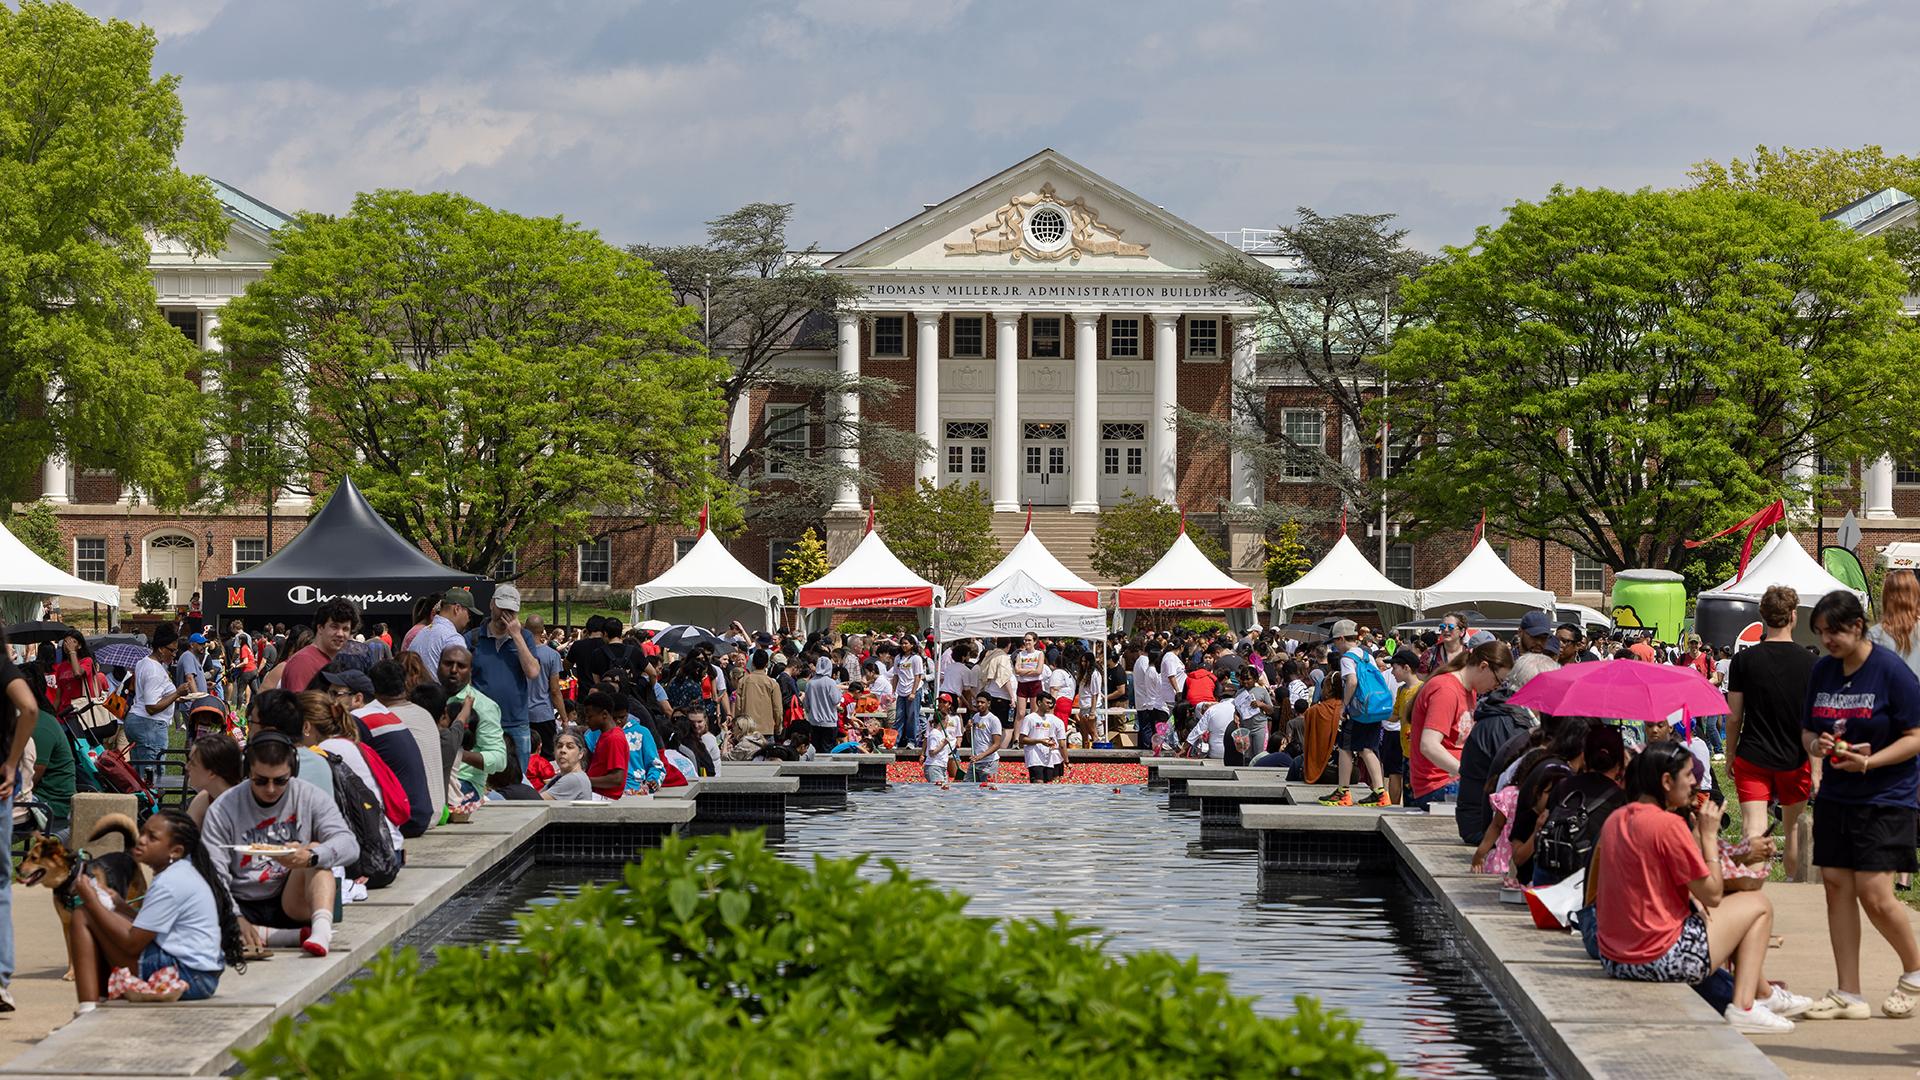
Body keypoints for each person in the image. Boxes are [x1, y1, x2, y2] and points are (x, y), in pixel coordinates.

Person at [1592, 742, 1803, 1033]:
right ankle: (1744, 1006)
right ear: (1667, 781)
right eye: (1689, 775)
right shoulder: (1668, 825)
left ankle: (1764, 995)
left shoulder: (1615, 819)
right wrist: (1708, 836)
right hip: (1659, 957)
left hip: (1615, 958)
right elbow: (1713, 894)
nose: (1695, 782)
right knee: (1758, 905)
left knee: (1735, 907)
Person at [1799, 589, 1920, 1020]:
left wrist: (1869, 761)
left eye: (1833, 631)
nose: (1827, 640)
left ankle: (1914, 971)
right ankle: (1848, 992)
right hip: (1836, 794)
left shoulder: (1891, 672)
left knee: (1874, 893)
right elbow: (1808, 732)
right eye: (1820, 633)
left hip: (1887, 797)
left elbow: (1915, 736)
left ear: (1857, 626)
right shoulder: (1823, 672)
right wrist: (1820, 743)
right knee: (1835, 883)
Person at [201, 732, 360, 958]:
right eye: (261, 780)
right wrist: (233, 916)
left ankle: (322, 931)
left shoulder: (307, 795)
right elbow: (215, 872)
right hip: (242, 900)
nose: (271, 789)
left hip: (290, 898)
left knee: (318, 852)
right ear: (247, 772)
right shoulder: (224, 808)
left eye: (280, 780)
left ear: (292, 771)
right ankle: (292, 936)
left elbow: (349, 845)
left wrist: (310, 856)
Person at [68, 810, 246, 1007]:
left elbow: (131, 943)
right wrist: (121, 907)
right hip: (199, 975)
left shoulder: (169, 883)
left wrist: (92, 901)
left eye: (152, 838)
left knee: (84, 915)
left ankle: (87, 1010)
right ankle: (99, 1002)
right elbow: (149, 926)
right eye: (142, 833)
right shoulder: (179, 872)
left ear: (175, 851)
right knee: (103, 918)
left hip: (186, 976)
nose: (142, 840)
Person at [1722, 584, 1816, 881]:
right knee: (1792, 830)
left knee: (1753, 826)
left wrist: (1730, 754)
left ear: (1763, 616)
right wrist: (1817, 769)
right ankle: (1792, 887)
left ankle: (1750, 897)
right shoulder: (1812, 663)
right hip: (1796, 757)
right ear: (1793, 615)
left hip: (1753, 754)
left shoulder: (1744, 660)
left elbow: (1734, 716)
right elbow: (1814, 721)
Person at [1408, 641, 1512, 813]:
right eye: (1497, 680)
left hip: (1451, 781)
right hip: (1438, 786)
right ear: (1483, 666)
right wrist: (1469, 773)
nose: (1496, 687)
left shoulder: (1468, 689)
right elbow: (1429, 745)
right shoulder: (1446, 690)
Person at [463, 584, 541, 772]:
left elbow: (533, 672)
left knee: (518, 776)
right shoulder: (472, 638)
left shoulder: (525, 637)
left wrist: (517, 636)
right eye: (501, 608)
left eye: (510, 611)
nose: (504, 615)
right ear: (491, 605)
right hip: (483, 721)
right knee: (483, 774)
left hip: (516, 721)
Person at [1318, 620, 1391, 807]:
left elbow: (1351, 681)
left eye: (1335, 642)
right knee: (1367, 749)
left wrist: (1345, 705)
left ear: (1341, 638)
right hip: (1373, 709)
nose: (1334, 646)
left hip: (1357, 710)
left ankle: (1343, 792)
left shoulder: (1347, 658)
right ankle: (1380, 792)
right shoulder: (1367, 655)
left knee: (1345, 747)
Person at [440, 646, 506, 800]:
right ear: (438, 665)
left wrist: (457, 754)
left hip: (463, 783)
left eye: (461, 666)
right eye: (448, 663)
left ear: (470, 671)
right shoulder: (428, 698)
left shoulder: (484, 707)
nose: (454, 670)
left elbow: (499, 758)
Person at [280, 599, 358, 694]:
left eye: (345, 629)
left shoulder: (334, 661)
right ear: (320, 628)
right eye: (334, 627)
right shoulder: (303, 662)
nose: (340, 634)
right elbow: (302, 706)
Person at [408, 588, 478, 686]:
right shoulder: (453, 638)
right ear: (457, 609)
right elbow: (460, 683)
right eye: (469, 614)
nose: (468, 620)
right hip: (441, 698)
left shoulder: (422, 633)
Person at [524, 615, 568, 763]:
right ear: (543, 630)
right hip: (543, 713)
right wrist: (564, 717)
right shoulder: (552, 655)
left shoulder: (517, 653)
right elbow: (555, 691)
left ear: (525, 629)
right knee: (547, 759)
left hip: (520, 714)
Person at [580, 689, 629, 799]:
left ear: (604, 714)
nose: (587, 721)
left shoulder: (614, 738)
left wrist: (582, 780)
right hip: (596, 792)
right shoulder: (605, 735)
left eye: (590, 717)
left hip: (605, 797)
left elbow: (617, 779)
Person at [184, 734, 242, 827]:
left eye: (193, 763)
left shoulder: (243, 805)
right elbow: (185, 836)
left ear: (212, 773)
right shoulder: (204, 798)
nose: (186, 767)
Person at [892, 638, 929, 749]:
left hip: (913, 690)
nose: (903, 645)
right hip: (901, 691)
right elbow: (895, 675)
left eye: (906, 643)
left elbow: (917, 676)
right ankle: (895, 741)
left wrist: (913, 692)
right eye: (902, 643)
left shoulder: (916, 658)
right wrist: (893, 691)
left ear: (912, 645)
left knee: (912, 716)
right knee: (899, 716)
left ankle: (912, 741)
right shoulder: (898, 658)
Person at [541, 730, 596, 802]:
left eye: (569, 747)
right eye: (559, 746)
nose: (563, 750)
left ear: (581, 754)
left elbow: (534, 801)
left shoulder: (574, 779)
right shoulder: (561, 776)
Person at [803, 656, 842, 754]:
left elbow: (806, 704)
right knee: (828, 750)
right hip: (829, 722)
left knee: (815, 750)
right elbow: (836, 700)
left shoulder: (810, 683)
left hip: (814, 722)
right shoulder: (830, 683)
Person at [967, 692, 1007, 783]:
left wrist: (981, 756)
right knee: (968, 788)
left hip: (989, 762)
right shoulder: (975, 717)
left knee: (987, 791)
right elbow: (970, 740)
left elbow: (997, 744)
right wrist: (968, 729)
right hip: (975, 761)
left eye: (982, 702)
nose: (979, 704)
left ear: (988, 703)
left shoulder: (993, 720)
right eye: (977, 702)